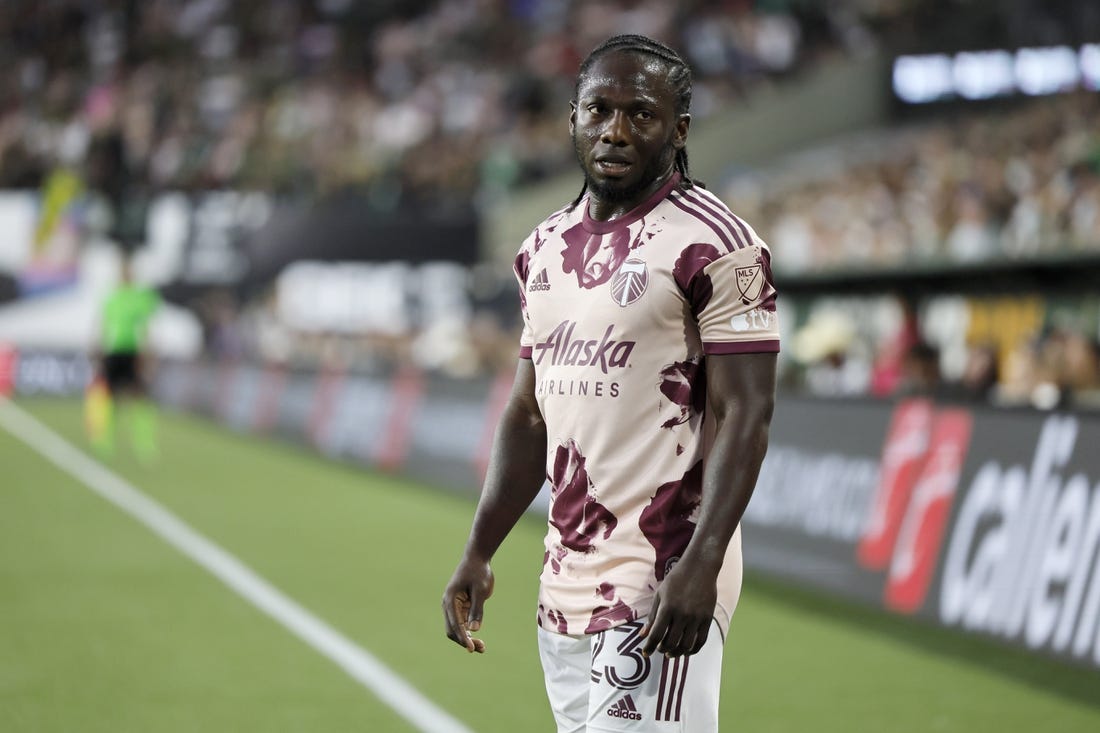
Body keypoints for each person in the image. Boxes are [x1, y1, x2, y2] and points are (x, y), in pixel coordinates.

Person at [442, 34, 779, 731]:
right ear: (572, 117)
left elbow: (746, 412)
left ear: (678, 128)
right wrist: (479, 548)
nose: (616, 130)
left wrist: (704, 560)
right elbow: (530, 415)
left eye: (641, 114)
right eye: (599, 110)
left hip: (662, 574)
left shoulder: (719, 244)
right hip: (564, 581)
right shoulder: (542, 247)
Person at [88, 253, 161, 461]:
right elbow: (102, 324)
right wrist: (96, 346)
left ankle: (144, 443)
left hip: (134, 352)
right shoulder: (111, 297)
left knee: (140, 397)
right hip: (113, 351)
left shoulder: (141, 298)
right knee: (109, 397)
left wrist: (149, 352)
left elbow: (146, 327)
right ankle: (104, 440)